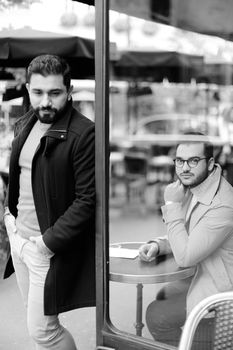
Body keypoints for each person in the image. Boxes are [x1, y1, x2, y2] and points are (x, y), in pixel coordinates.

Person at [3, 54, 95, 349]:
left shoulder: (84, 133)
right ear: (28, 89)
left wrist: (45, 245)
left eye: (55, 93)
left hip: (45, 248)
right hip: (20, 239)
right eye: (38, 92)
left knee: (44, 331)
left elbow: (86, 200)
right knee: (42, 328)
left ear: (69, 91)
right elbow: (20, 174)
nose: (45, 101)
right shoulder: (25, 123)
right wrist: (9, 217)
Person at [139, 132, 233, 347]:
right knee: (163, 294)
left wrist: (171, 206)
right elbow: (187, 231)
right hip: (202, 276)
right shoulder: (197, 185)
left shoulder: (223, 203)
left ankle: (201, 342)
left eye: (193, 160)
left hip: (221, 295)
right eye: (180, 161)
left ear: (210, 164)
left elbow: (186, 256)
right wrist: (158, 245)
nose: (184, 168)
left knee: (156, 315)